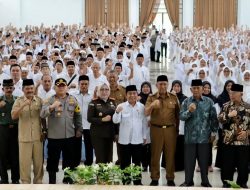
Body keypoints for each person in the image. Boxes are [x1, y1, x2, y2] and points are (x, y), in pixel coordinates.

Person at [40, 78, 82, 184]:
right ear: (55, 88)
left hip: (69, 136)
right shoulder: (49, 100)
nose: (61, 87)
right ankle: (52, 183)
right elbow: (42, 114)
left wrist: (79, 129)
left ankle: (68, 180)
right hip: (54, 137)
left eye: (63, 85)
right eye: (59, 86)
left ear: (67, 87)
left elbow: (78, 115)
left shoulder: (73, 99)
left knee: (69, 160)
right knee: (52, 161)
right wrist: (52, 107)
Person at [179, 79, 218, 187]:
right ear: (191, 89)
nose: (196, 90)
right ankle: (188, 181)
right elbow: (181, 117)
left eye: (198, 88)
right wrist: (189, 111)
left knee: (204, 161)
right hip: (189, 138)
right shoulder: (186, 102)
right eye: (194, 88)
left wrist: (214, 133)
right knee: (189, 161)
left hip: (204, 137)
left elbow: (213, 118)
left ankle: (205, 181)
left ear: (202, 89)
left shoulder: (209, 102)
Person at [145, 75, 180, 186]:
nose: (163, 86)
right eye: (160, 84)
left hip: (170, 129)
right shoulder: (151, 97)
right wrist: (152, 106)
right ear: (156, 85)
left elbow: (178, 115)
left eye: (165, 84)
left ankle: (170, 178)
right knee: (155, 155)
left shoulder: (173, 97)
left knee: (170, 155)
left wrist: (177, 130)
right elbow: (146, 112)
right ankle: (155, 178)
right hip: (156, 129)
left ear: (168, 84)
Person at [113, 85, 147, 185]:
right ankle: (126, 181)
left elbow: (144, 122)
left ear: (137, 94)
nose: (132, 95)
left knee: (137, 163)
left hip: (137, 139)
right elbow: (115, 120)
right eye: (130, 93)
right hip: (124, 140)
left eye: (134, 93)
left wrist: (144, 136)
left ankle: (137, 182)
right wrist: (117, 112)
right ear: (126, 95)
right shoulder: (121, 106)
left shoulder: (141, 107)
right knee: (125, 163)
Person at [11, 79, 44, 184]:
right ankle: (25, 184)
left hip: (38, 137)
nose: (29, 90)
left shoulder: (39, 100)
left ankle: (38, 183)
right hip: (24, 138)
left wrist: (45, 130)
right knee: (24, 164)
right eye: (27, 88)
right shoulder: (18, 100)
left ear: (33, 88)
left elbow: (43, 117)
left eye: (31, 88)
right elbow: (13, 116)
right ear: (23, 89)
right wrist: (23, 105)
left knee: (39, 164)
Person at [218, 84, 250, 189]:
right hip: (229, 140)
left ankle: (242, 182)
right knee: (227, 163)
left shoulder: (248, 107)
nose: (232, 95)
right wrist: (228, 115)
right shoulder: (226, 106)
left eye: (234, 93)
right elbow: (220, 119)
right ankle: (227, 182)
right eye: (230, 93)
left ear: (241, 93)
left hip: (243, 141)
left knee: (243, 164)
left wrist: (247, 132)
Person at [87, 83, 118, 163]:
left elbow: (116, 119)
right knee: (100, 158)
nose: (104, 92)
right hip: (98, 135)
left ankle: (107, 175)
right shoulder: (93, 103)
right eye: (102, 89)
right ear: (98, 91)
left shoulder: (113, 102)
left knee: (109, 158)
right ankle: (100, 176)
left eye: (106, 89)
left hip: (109, 134)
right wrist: (102, 120)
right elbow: (89, 118)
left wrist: (116, 133)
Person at [162, 80, 187, 171]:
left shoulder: (185, 98)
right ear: (172, 87)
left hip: (180, 126)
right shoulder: (167, 97)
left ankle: (180, 166)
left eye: (178, 86)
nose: (176, 88)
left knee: (179, 146)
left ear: (180, 88)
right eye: (174, 86)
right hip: (169, 125)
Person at [0, 79, 19, 184]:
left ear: (13, 88)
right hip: (3, 129)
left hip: (15, 129)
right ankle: (3, 179)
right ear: (3, 89)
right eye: (6, 88)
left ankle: (15, 179)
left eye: (10, 88)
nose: (8, 90)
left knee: (15, 155)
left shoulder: (17, 100)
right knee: (2, 155)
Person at [73, 75, 94, 166]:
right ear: (78, 84)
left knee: (89, 147)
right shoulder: (72, 94)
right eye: (82, 84)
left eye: (86, 84)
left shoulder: (93, 95)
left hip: (89, 125)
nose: (84, 86)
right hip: (76, 125)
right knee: (76, 147)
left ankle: (89, 166)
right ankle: (75, 165)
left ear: (88, 84)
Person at [107, 70, 127, 165]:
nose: (112, 79)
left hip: (120, 122)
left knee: (121, 144)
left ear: (118, 78)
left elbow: (127, 104)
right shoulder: (104, 90)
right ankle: (108, 163)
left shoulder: (123, 90)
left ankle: (121, 161)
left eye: (113, 77)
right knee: (108, 145)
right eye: (110, 77)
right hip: (107, 121)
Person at [215, 80, 235, 169]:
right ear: (225, 86)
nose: (229, 87)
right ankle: (222, 164)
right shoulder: (220, 98)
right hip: (223, 126)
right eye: (228, 85)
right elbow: (219, 113)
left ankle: (233, 165)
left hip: (234, 127)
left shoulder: (236, 98)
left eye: (231, 86)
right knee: (223, 145)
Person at [201, 81, 218, 172]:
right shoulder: (198, 98)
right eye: (204, 88)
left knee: (208, 147)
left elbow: (214, 116)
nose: (206, 89)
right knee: (200, 148)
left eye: (208, 88)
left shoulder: (214, 99)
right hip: (200, 128)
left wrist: (214, 130)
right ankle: (200, 165)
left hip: (209, 128)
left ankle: (209, 165)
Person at [138, 81, 152, 171]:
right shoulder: (138, 98)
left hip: (151, 124)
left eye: (147, 87)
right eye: (144, 87)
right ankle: (144, 164)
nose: (146, 88)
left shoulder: (153, 98)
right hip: (141, 125)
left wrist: (151, 120)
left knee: (151, 146)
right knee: (142, 146)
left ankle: (151, 164)